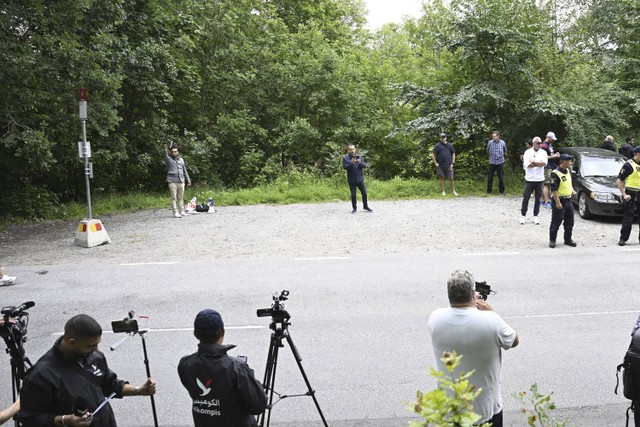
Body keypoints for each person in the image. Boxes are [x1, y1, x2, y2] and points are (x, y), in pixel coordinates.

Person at [17, 314, 156, 427]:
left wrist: (139, 390)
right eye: (91, 346)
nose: (96, 350)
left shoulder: (95, 356)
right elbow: (30, 419)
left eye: (97, 345)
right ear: (72, 342)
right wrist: (65, 420)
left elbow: (110, 385)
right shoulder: (41, 375)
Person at [428, 270, 519, 427]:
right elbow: (514, 341)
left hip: (451, 411)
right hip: (485, 411)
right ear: (472, 294)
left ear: (449, 294)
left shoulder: (435, 318)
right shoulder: (491, 320)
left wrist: (471, 305)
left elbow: (460, 319)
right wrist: (489, 312)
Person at [178, 309, 267, 427]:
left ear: (195, 334)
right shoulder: (236, 368)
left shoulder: (185, 364)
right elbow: (258, 406)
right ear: (222, 333)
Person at [548, 154, 577, 248]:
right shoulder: (555, 173)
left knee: (570, 221)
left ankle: (568, 239)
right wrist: (557, 202)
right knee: (556, 221)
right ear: (564, 162)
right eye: (569, 161)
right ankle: (552, 240)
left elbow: (569, 182)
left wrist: (572, 190)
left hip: (568, 200)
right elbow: (554, 189)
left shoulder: (568, 171)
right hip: (559, 200)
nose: (571, 163)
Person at [520, 136, 548, 225]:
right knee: (526, 197)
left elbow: (544, 163)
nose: (540, 145)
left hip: (539, 179)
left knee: (538, 199)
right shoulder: (527, 152)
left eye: (541, 143)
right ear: (534, 143)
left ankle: (536, 216)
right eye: (538, 143)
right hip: (529, 178)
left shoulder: (543, 152)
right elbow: (527, 164)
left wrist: (534, 162)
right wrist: (538, 163)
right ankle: (523, 215)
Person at [616, 146, 640, 246]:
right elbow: (619, 180)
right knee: (628, 219)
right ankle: (623, 239)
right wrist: (624, 194)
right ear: (637, 154)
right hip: (631, 195)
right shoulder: (628, 165)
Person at [163, 143, 191, 218]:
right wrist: (165, 149)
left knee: (181, 197)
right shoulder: (169, 159)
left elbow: (184, 170)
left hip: (181, 181)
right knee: (174, 197)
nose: (174, 153)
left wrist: (188, 180)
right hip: (172, 182)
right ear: (171, 152)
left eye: (175, 151)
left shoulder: (181, 160)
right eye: (172, 152)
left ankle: (182, 211)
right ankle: (175, 212)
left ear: (178, 152)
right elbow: (165, 155)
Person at [342, 145, 373, 214]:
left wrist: (360, 163)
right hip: (351, 180)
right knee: (353, 195)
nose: (352, 151)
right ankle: (354, 208)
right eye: (350, 149)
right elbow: (344, 167)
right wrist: (351, 163)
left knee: (364, 193)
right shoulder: (345, 158)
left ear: (355, 149)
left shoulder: (360, 157)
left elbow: (364, 165)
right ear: (348, 150)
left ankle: (365, 206)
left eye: (353, 149)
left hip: (360, 179)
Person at [541, 132, 560, 209]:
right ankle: (547, 201)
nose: (553, 140)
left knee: (549, 183)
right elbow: (544, 157)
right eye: (552, 139)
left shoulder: (550, 145)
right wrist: (554, 156)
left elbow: (550, 154)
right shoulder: (544, 146)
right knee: (546, 184)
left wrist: (555, 154)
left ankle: (542, 200)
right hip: (546, 166)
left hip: (551, 166)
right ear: (548, 137)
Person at [486, 131, 508, 195]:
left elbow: (505, 150)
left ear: (498, 136)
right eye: (493, 136)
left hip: (500, 162)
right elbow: (487, 150)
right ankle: (489, 191)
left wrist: (502, 155)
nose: (493, 137)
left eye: (494, 136)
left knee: (501, 177)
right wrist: (490, 156)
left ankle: (502, 191)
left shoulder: (502, 143)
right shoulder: (490, 142)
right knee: (490, 177)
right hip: (492, 162)